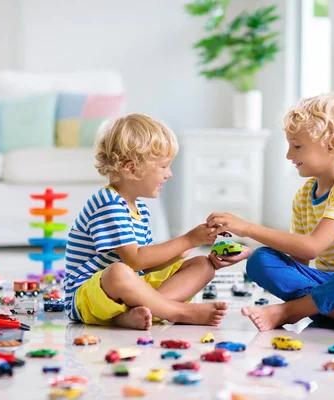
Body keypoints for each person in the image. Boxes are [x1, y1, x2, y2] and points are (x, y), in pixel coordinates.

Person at [207, 93, 334, 333]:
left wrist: (248, 228)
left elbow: (312, 247)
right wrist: (247, 250)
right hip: (325, 285)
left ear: (332, 144)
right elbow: (300, 260)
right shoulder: (304, 195)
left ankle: (290, 312)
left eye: (297, 146)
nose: (289, 155)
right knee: (261, 260)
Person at [63, 114, 232, 330]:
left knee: (203, 265)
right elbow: (134, 261)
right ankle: (176, 311)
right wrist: (187, 239)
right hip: (87, 296)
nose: (169, 174)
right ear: (131, 169)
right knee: (118, 272)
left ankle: (139, 312)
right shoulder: (108, 202)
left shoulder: (140, 207)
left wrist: (178, 252)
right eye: (163, 167)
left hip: (129, 288)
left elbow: (146, 265)